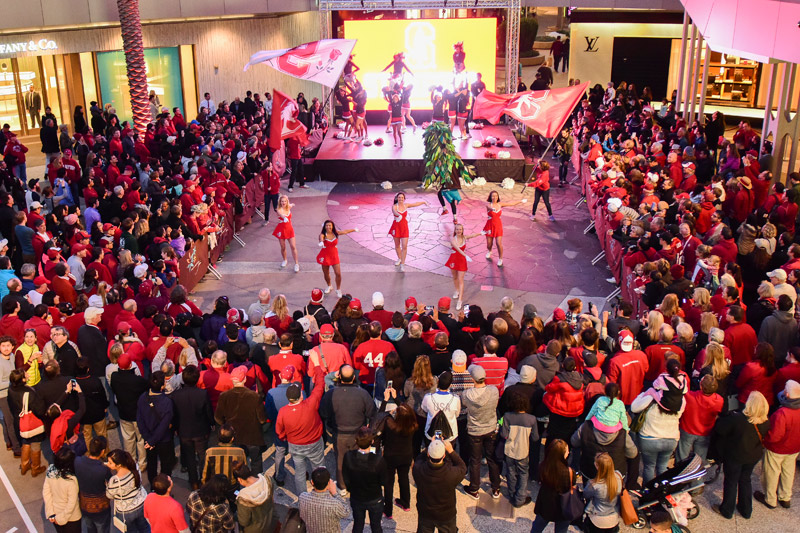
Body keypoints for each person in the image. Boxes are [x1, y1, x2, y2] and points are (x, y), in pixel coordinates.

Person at [712, 391, 770, 519]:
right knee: (745, 480)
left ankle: (727, 510)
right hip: (753, 456)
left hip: (735, 456)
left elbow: (720, 429)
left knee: (731, 482)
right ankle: (746, 510)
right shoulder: (766, 421)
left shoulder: (737, 419)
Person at [320, 364, 376, 494]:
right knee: (359, 460)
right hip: (359, 433)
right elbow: (372, 413)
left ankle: (342, 486)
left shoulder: (331, 394)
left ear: (339, 377)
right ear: (354, 377)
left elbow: (323, 413)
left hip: (339, 434)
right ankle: (357, 484)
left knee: (340, 460)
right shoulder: (363, 393)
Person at [275, 367, 326, 494]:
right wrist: (318, 369)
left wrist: (284, 438)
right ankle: (321, 492)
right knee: (319, 468)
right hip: (314, 443)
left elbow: (279, 431)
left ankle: (302, 498)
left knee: (299, 472)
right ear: (301, 395)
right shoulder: (310, 403)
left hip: (295, 445)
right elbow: (320, 386)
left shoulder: (283, 412)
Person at [754, 380, 800, 510]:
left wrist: (765, 441)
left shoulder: (782, 413)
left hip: (777, 448)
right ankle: (785, 497)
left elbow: (774, 436)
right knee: (788, 471)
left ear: (788, 395)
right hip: (795, 447)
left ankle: (770, 499)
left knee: (772, 472)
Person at [214, 365, 267, 472]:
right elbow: (262, 419)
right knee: (256, 462)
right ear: (245, 379)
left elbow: (218, 418)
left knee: (237, 464)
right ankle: (256, 484)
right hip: (253, 437)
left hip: (234, 437)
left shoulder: (224, 396)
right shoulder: (254, 396)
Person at [461, 364, 501, 499]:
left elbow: (465, 405)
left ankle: (474, 488)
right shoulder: (494, 391)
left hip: (474, 431)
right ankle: (496, 488)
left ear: (472, 379)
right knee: (492, 458)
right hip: (490, 428)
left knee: (475, 460)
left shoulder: (466, 395)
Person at [170, 365, 213, 490]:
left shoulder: (176, 395)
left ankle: (193, 482)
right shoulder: (202, 394)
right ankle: (204, 479)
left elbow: (174, 415)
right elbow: (208, 412)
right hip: (201, 430)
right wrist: (211, 424)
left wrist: (176, 428)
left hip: (184, 431)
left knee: (189, 457)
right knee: (202, 456)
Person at [412, 437, 466, 533]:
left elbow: (419, 459)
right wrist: (451, 451)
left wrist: (430, 446)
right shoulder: (451, 474)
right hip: (446, 515)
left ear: (428, 454)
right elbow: (462, 467)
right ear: (444, 455)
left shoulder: (418, 469)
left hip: (425, 513)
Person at [342, 426, 387, 533]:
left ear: (356, 441)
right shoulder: (378, 460)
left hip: (357, 497)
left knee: (358, 525)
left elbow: (346, 478)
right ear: (372, 441)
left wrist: (351, 489)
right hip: (375, 498)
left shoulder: (348, 456)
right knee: (376, 526)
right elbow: (384, 481)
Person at [500, 391, 538, 507]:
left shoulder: (507, 416)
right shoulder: (531, 419)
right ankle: (520, 497)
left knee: (510, 472)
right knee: (523, 473)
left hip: (509, 450)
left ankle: (512, 493)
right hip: (523, 450)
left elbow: (503, 434)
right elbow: (535, 437)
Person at [136, 371, 175, 485]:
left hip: (148, 439)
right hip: (163, 439)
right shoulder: (167, 402)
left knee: (151, 463)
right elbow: (164, 425)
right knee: (165, 465)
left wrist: (148, 439)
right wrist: (153, 439)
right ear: (162, 386)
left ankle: (153, 486)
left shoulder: (142, 398)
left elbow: (140, 420)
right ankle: (164, 486)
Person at [379, 400, 417, 516]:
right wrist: (397, 399)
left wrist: (386, 403)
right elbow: (406, 411)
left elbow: (379, 417)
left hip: (390, 456)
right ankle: (405, 503)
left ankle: (388, 510)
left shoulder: (390, 424)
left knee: (389, 483)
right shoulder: (412, 426)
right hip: (406, 455)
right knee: (404, 478)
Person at [530, 439, 574, 533]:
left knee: (536, 528)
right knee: (561, 530)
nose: (568, 452)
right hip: (562, 506)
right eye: (566, 451)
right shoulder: (569, 472)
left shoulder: (543, 467)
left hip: (546, 504)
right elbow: (571, 485)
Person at [105, 449, 150, 533]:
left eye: (110, 463)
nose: (108, 464)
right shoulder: (135, 467)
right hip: (141, 504)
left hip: (126, 511)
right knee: (144, 528)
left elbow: (109, 495)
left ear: (118, 465)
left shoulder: (114, 481)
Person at [75, 436, 112, 533]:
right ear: (102, 451)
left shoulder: (78, 461)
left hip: (84, 505)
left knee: (90, 529)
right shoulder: (103, 469)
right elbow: (111, 483)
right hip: (101, 509)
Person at [299, 467, 350, 533]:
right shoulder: (334, 504)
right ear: (329, 483)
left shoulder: (302, 497)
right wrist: (335, 493)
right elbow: (346, 512)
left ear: (312, 482)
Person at [43, 447, 82, 533]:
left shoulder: (51, 471)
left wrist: (51, 513)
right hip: (72, 517)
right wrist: (61, 519)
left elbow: (46, 492)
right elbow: (72, 503)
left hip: (55, 513)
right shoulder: (71, 480)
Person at [583, 453, 623, 533]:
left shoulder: (594, 484)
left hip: (597, 518)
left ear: (597, 466)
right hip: (613, 517)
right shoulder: (618, 476)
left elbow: (585, 495)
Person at [483, 191, 526, 266]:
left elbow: (511, 203)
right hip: (489, 226)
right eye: (493, 196)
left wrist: (521, 201)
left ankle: (500, 259)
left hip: (498, 226)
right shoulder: (488, 205)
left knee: (498, 243)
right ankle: (489, 251)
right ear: (490, 197)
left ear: (498, 197)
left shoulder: (500, 204)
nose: (494, 197)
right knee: (489, 244)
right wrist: (492, 209)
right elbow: (489, 207)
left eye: (496, 196)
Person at [445, 224, 482, 310]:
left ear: (462, 230)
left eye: (460, 229)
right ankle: (457, 290)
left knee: (460, 279)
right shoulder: (453, 239)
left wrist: (480, 233)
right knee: (455, 277)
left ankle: (460, 300)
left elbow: (472, 235)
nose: (458, 231)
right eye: (457, 229)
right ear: (455, 230)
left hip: (462, 261)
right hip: (454, 260)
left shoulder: (464, 238)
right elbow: (458, 248)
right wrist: (466, 255)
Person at [317, 220, 357, 298]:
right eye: (327, 225)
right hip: (325, 256)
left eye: (330, 225)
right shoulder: (323, 234)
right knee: (326, 273)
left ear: (332, 226)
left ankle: (338, 289)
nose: (328, 227)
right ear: (324, 227)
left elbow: (345, 231)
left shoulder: (336, 233)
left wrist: (354, 229)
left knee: (338, 274)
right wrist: (321, 242)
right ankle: (329, 286)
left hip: (334, 256)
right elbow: (321, 238)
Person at [388, 192, 427, 271]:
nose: (401, 199)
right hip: (396, 227)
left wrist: (423, 202)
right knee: (397, 245)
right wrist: (398, 215)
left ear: (404, 199)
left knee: (404, 246)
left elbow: (415, 204)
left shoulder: (406, 205)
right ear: (397, 198)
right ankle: (399, 258)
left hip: (404, 228)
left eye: (402, 198)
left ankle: (403, 263)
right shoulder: (394, 206)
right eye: (399, 197)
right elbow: (394, 211)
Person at [233, 463, 275, 533]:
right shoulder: (268, 481)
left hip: (255, 530)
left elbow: (244, 522)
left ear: (239, 479)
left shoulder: (244, 499)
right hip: (271, 521)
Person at [272, 195, 299, 272]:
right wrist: (284, 218)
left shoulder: (289, 207)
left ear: (287, 201)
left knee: (293, 246)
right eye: (282, 201)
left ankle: (296, 264)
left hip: (289, 229)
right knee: (283, 247)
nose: (283, 202)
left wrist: (293, 204)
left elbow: (291, 205)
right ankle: (285, 260)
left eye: (285, 201)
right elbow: (281, 214)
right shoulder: (278, 209)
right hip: (281, 230)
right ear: (280, 202)